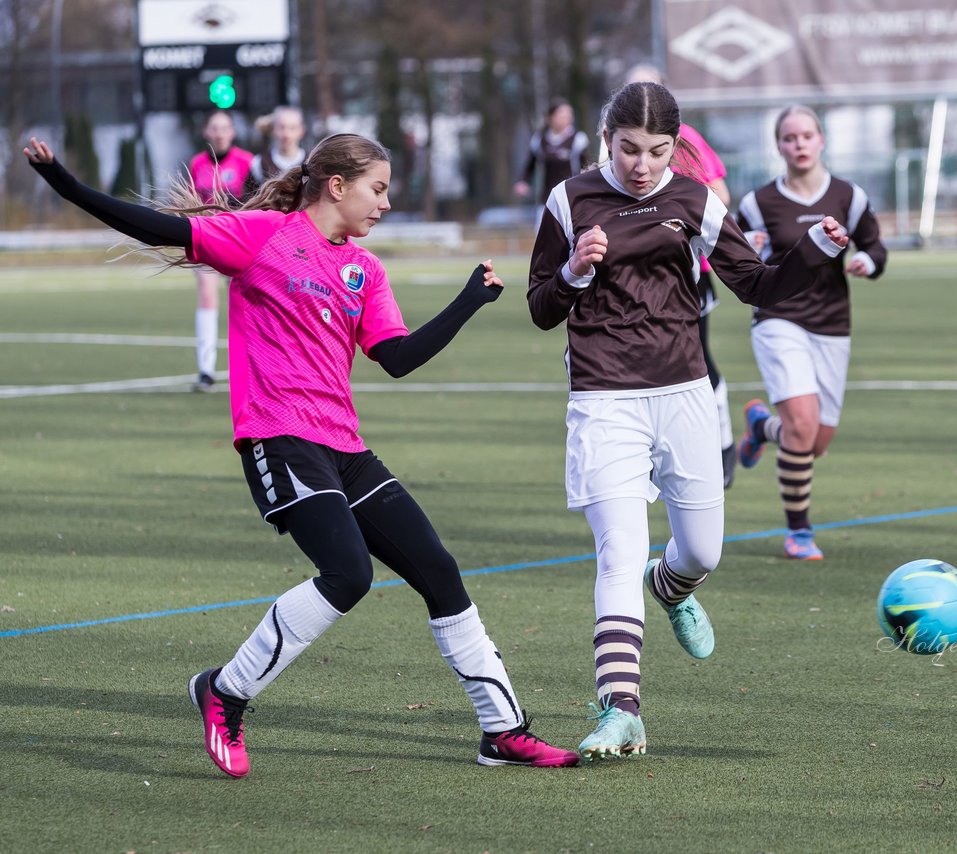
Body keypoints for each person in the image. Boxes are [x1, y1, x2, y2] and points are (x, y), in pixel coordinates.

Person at [25, 132, 579, 776]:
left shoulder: (364, 270)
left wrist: (468, 302)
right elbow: (154, 225)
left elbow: (395, 359)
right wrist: (63, 182)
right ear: (336, 186)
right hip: (278, 436)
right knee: (349, 573)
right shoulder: (260, 234)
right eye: (378, 188)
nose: (386, 203)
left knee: (439, 569)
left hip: (344, 445)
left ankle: (502, 731)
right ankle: (225, 692)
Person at [526, 82, 849, 761]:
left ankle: (667, 587)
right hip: (602, 396)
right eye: (628, 150)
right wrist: (576, 271)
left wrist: (813, 251)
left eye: (657, 151)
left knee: (701, 552)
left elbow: (758, 285)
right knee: (617, 548)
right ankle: (622, 709)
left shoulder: (695, 200)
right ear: (605, 137)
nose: (642, 165)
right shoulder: (569, 199)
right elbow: (541, 307)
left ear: (677, 147)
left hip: (684, 393)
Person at [734, 105, 889, 561]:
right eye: (788, 137)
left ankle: (762, 427)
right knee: (802, 425)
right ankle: (799, 532)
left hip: (832, 325)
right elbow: (733, 261)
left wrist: (869, 261)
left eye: (806, 135)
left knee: (814, 442)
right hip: (778, 317)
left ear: (821, 140)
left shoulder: (848, 196)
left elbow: (876, 244)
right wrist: (751, 250)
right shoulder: (757, 204)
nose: (798, 144)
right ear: (778, 146)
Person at [618, 63, 738, 488]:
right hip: (627, 274)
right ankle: (645, 455)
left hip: (687, 272)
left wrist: (681, 209)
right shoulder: (616, 143)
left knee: (697, 359)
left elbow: (720, 194)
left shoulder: (687, 139)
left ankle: (722, 445)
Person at [188, 110, 254, 392]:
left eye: (224, 128)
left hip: (239, 240)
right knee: (207, 296)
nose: (219, 133)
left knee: (244, 304)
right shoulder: (197, 163)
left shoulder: (247, 162)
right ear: (206, 133)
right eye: (213, 128)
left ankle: (251, 367)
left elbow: (256, 201)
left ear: (232, 133)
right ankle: (206, 370)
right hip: (208, 240)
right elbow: (191, 199)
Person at [513, 98, 591, 208]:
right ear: (550, 118)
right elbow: (530, 165)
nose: (567, 118)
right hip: (547, 199)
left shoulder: (578, 139)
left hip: (571, 198)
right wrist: (523, 182)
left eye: (569, 115)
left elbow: (587, 166)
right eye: (562, 115)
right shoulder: (539, 139)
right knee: (543, 225)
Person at [244, 105, 307, 197]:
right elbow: (249, 199)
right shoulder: (259, 163)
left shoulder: (310, 163)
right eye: (281, 127)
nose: (286, 134)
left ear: (301, 131)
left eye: (292, 128)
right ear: (273, 129)